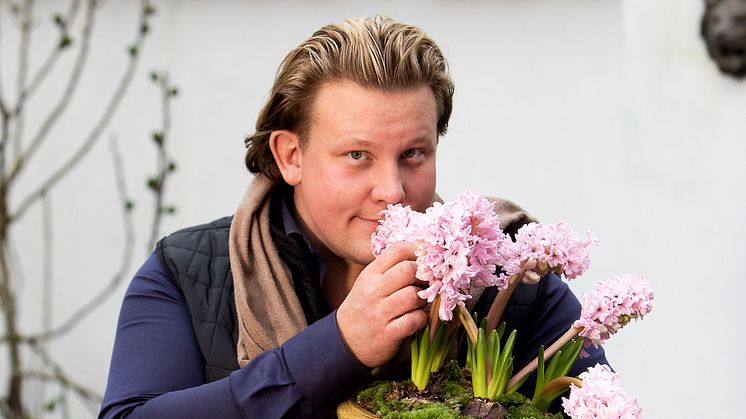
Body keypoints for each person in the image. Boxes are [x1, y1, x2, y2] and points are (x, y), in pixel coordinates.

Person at [99, 16, 607, 419]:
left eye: (413, 153)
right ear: (290, 155)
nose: (393, 192)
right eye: (357, 155)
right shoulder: (187, 272)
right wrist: (338, 348)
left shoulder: (511, 277)